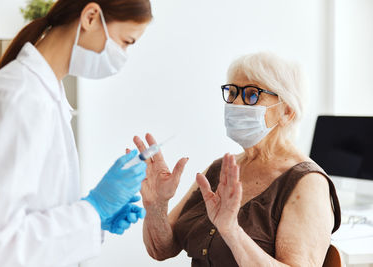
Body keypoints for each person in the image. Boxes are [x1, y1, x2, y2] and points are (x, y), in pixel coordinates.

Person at [0, 0, 152, 266]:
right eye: (126, 42)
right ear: (91, 17)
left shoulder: (47, 93)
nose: (123, 56)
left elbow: (31, 212)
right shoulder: (22, 97)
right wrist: (94, 209)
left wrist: (95, 217)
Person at [134, 52, 341, 266]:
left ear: (286, 112)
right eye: (232, 93)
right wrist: (156, 205)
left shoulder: (308, 183)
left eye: (252, 95)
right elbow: (161, 249)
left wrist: (232, 231)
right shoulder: (221, 169)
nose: (237, 104)